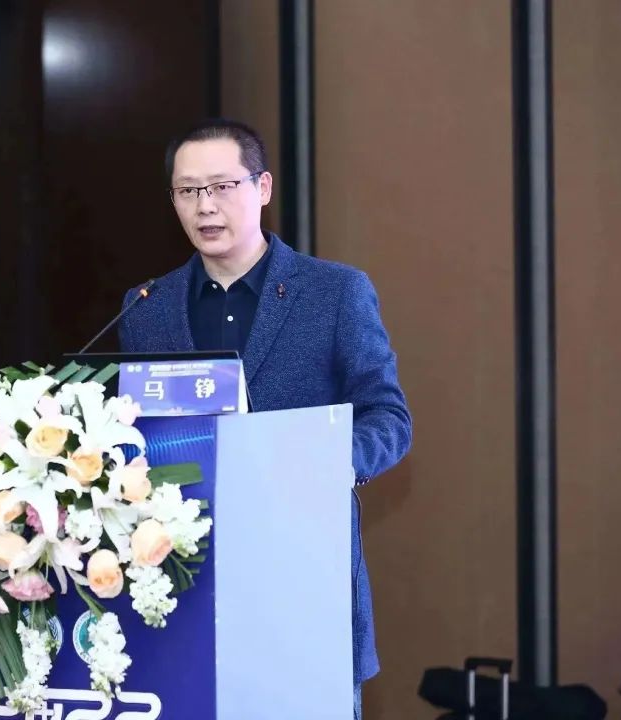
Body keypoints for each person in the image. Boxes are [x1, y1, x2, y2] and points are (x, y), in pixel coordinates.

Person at [118, 118, 412, 719]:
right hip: (182, 591)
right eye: (188, 191)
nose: (205, 206)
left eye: (222, 186)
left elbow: (388, 417)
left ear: (263, 188)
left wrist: (322, 462)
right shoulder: (147, 306)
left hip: (302, 583)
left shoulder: (334, 293)